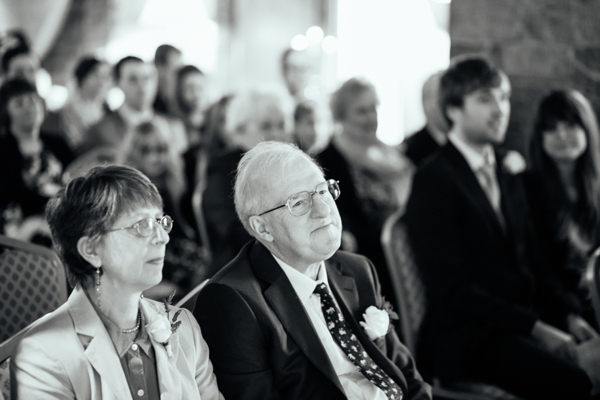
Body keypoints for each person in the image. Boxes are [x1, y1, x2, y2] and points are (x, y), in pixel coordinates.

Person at [403, 56, 594, 399]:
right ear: (453, 110)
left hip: (513, 323)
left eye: (503, 98)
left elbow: (533, 259)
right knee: (576, 382)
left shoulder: (506, 173)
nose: (500, 109)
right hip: (468, 338)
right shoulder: (433, 179)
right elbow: (452, 291)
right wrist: (536, 328)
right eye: (485, 99)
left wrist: (566, 314)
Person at [193, 141, 431, 400]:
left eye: (323, 190)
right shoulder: (234, 302)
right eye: (298, 203)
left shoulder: (356, 269)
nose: (324, 209)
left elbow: (406, 375)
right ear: (263, 228)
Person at [10, 164, 223, 400]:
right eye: (142, 226)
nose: (162, 238)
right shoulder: (43, 351)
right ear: (91, 249)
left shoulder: (184, 326)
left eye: (161, 222)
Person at [316, 77, 413, 303]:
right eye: (361, 111)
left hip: (406, 261)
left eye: (373, 108)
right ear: (341, 116)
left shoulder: (391, 155)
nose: (371, 118)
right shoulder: (327, 162)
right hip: (367, 270)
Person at [522, 89, 600, 331]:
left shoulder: (596, 185)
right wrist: (567, 315)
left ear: (586, 129)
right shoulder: (526, 188)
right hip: (556, 310)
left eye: (571, 125)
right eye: (552, 128)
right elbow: (536, 265)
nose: (562, 135)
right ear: (539, 136)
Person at [202, 88, 292, 274]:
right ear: (240, 130)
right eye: (266, 126)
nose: (276, 133)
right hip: (241, 269)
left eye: (281, 125)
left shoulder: (291, 167)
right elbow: (232, 229)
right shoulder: (224, 168)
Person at [118, 120, 208, 298]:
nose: (154, 158)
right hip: (147, 259)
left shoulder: (175, 184)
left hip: (178, 254)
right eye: (145, 151)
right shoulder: (128, 192)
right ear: (133, 152)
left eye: (160, 150)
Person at [0, 78, 73, 245]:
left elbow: (77, 175)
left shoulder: (58, 143)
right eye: (19, 104)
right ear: (5, 112)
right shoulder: (3, 152)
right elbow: (9, 200)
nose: (29, 108)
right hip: (25, 231)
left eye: (33, 101)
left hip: (66, 219)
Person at [80, 56, 187, 156]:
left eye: (147, 78)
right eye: (133, 79)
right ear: (118, 82)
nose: (143, 86)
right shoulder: (100, 133)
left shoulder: (174, 128)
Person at [58, 56, 111, 152]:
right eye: (96, 76)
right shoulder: (69, 111)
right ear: (83, 77)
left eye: (105, 77)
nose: (101, 82)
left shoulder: (107, 109)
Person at [403, 70, 449, 167]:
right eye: (442, 99)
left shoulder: (465, 143)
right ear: (426, 103)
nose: (448, 106)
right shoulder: (409, 150)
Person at [175, 65, 208, 147]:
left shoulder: (217, 122)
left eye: (200, 88)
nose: (196, 94)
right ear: (180, 91)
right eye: (190, 88)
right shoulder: (173, 126)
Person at [153, 44, 184, 116]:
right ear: (159, 68)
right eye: (176, 70)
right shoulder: (149, 100)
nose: (180, 76)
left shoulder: (180, 97)